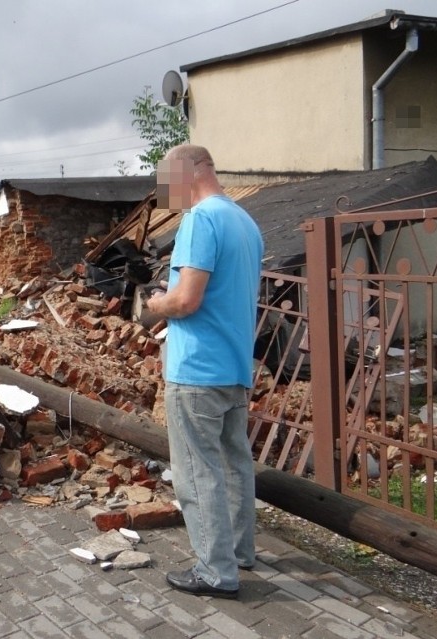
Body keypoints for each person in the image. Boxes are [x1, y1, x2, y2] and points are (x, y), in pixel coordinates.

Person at [147, 144, 264, 599]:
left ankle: (215, 572)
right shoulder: (245, 222)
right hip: (235, 365)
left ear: (186, 172)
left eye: (166, 182)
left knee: (198, 472)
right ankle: (239, 552)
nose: (166, 192)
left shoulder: (199, 219)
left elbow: (187, 301)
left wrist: (155, 304)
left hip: (197, 369)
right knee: (236, 464)